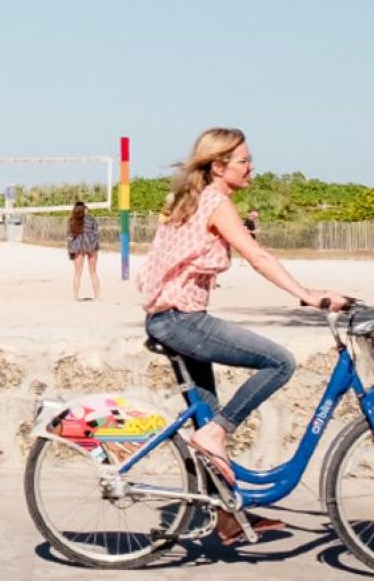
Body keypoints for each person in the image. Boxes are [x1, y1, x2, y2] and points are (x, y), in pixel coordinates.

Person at [137, 127, 348, 545]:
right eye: (244, 161)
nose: (252, 168)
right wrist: (306, 296)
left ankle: (227, 519)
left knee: (205, 414)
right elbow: (257, 256)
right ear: (219, 166)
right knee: (279, 362)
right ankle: (217, 434)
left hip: (171, 317)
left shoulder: (191, 198)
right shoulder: (216, 202)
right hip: (181, 320)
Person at [66, 201, 101, 301]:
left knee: (77, 273)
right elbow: (96, 234)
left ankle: (75, 297)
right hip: (91, 246)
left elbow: (69, 237)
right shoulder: (91, 219)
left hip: (79, 247)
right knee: (93, 272)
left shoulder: (72, 221)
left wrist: (70, 250)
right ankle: (97, 296)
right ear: (84, 209)